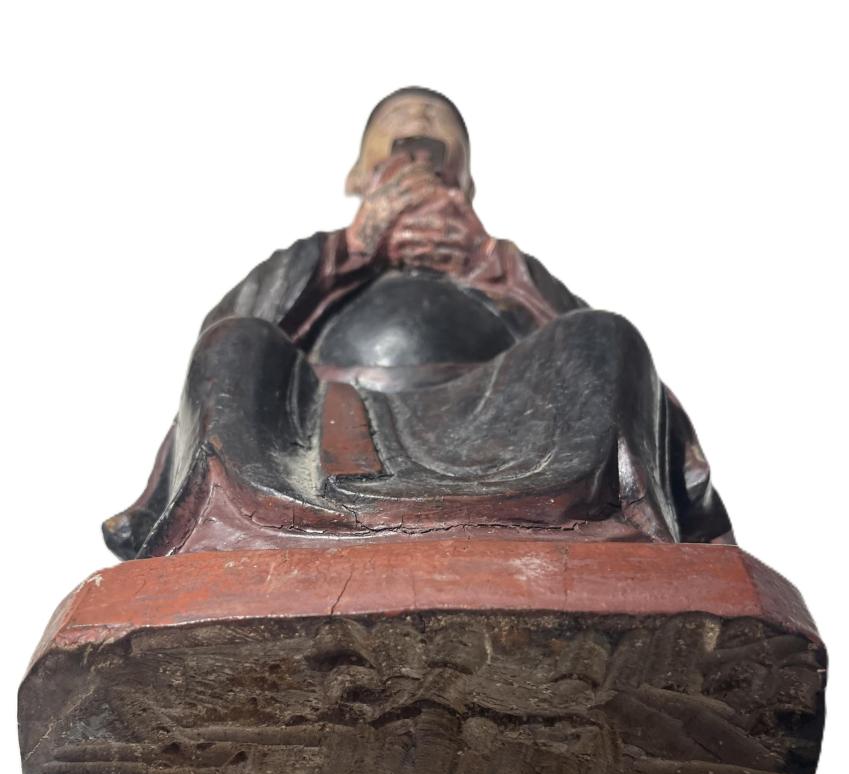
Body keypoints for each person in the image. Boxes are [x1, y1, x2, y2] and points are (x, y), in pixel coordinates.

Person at [103, 88, 732, 560]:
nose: (422, 121)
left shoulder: (499, 261)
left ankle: (597, 524)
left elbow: (596, 363)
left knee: (607, 334)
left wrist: (488, 266)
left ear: (466, 179)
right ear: (358, 175)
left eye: (438, 121)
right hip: (330, 418)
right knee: (232, 341)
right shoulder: (315, 258)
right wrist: (350, 250)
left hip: (501, 420)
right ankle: (245, 527)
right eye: (400, 120)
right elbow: (228, 342)